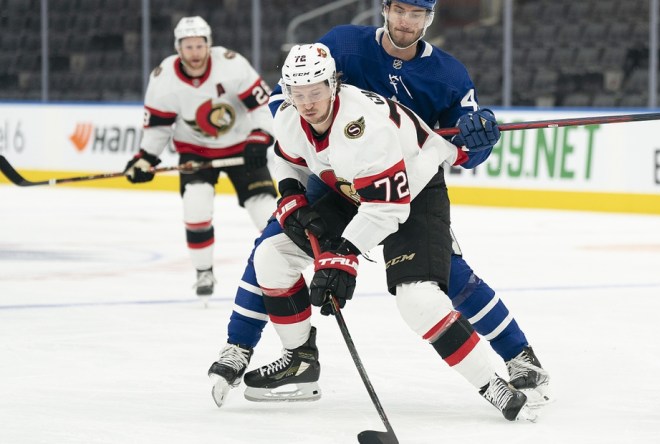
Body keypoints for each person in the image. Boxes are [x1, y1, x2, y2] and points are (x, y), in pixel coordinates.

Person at [208, 0, 548, 406]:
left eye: (417, 14)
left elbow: (462, 149)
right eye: (400, 10)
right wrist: (291, 192)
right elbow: (293, 102)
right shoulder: (342, 45)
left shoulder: (449, 74)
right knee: (276, 244)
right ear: (384, 9)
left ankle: (519, 356)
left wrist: (479, 138)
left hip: (408, 185)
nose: (406, 22)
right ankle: (253, 348)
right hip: (340, 178)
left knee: (444, 277)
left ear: (429, 17)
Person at [123, 16, 278, 297]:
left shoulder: (232, 64)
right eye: (188, 46)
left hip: (242, 146)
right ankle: (203, 271)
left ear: (209, 45)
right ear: (178, 48)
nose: (194, 53)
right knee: (196, 206)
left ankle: (281, 266)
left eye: (199, 45)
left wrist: (260, 137)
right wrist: (145, 157)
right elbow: (158, 127)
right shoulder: (163, 78)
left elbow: (262, 105)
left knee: (265, 209)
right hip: (194, 150)